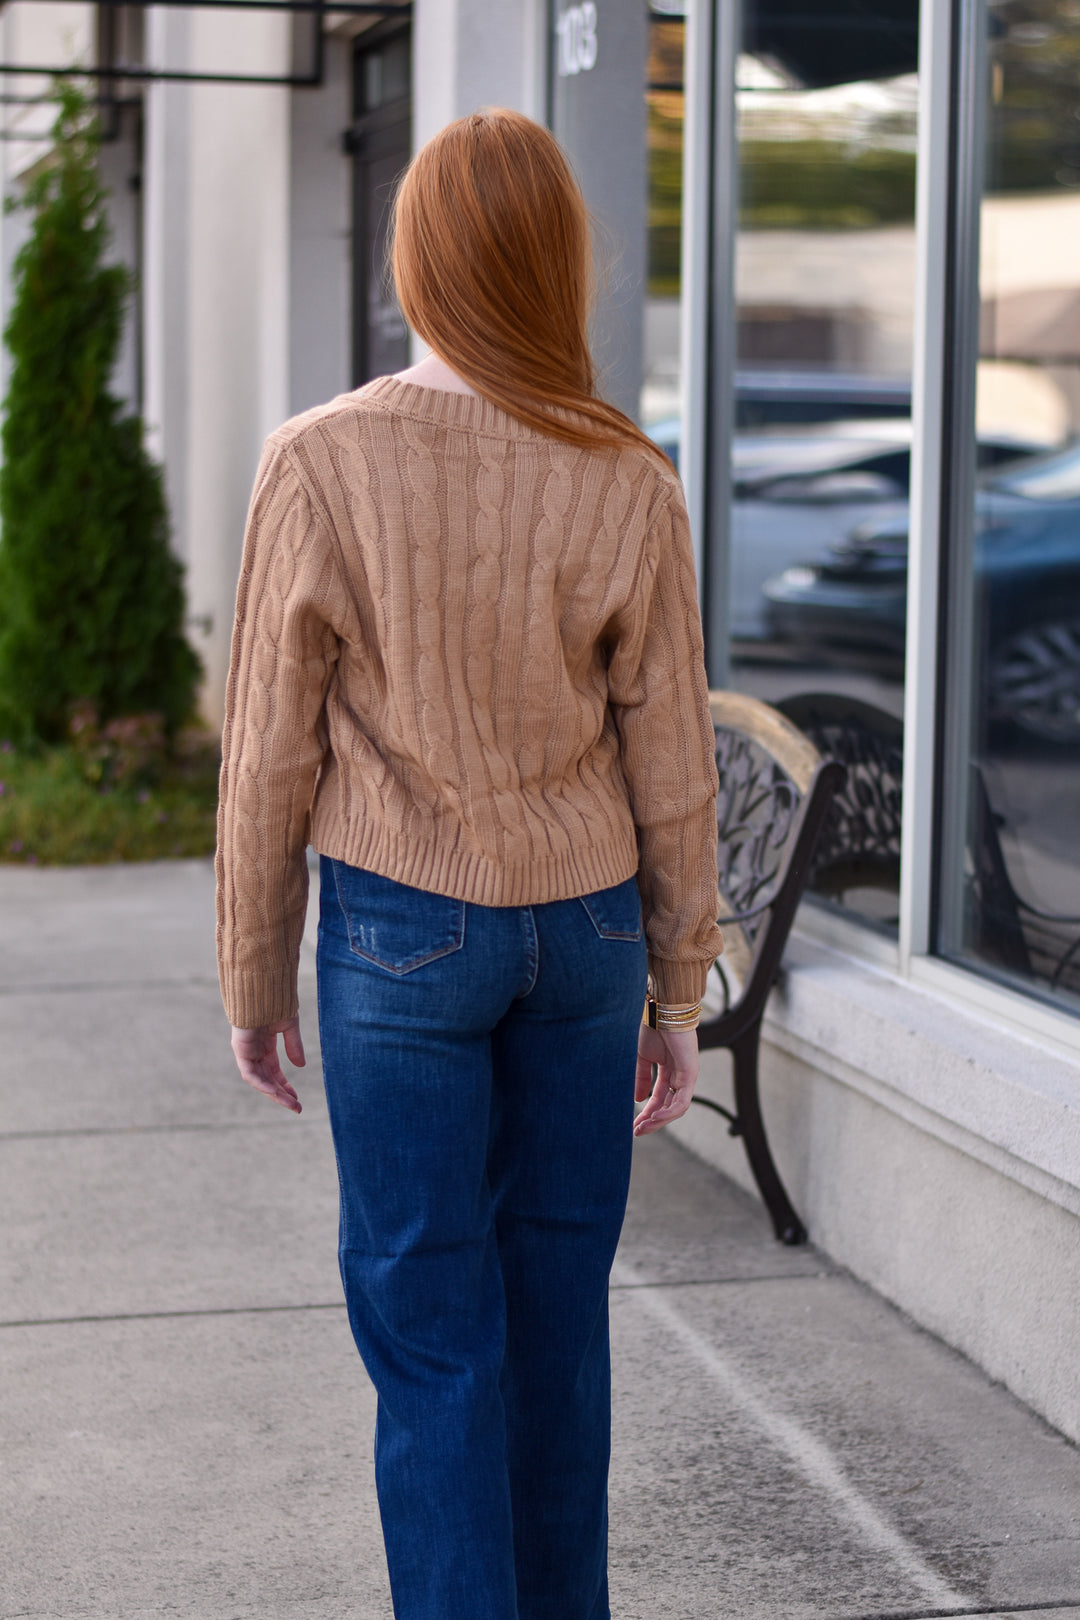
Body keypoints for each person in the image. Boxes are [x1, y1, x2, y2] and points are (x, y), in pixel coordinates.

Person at [217, 107, 723, 1620]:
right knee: (555, 1328)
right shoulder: (624, 474)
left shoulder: (317, 462)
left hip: (398, 937)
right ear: (558, 270)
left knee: (432, 1333)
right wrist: (677, 989)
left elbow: (268, 752)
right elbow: (674, 763)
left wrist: (253, 970)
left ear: (414, 263)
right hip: (581, 942)